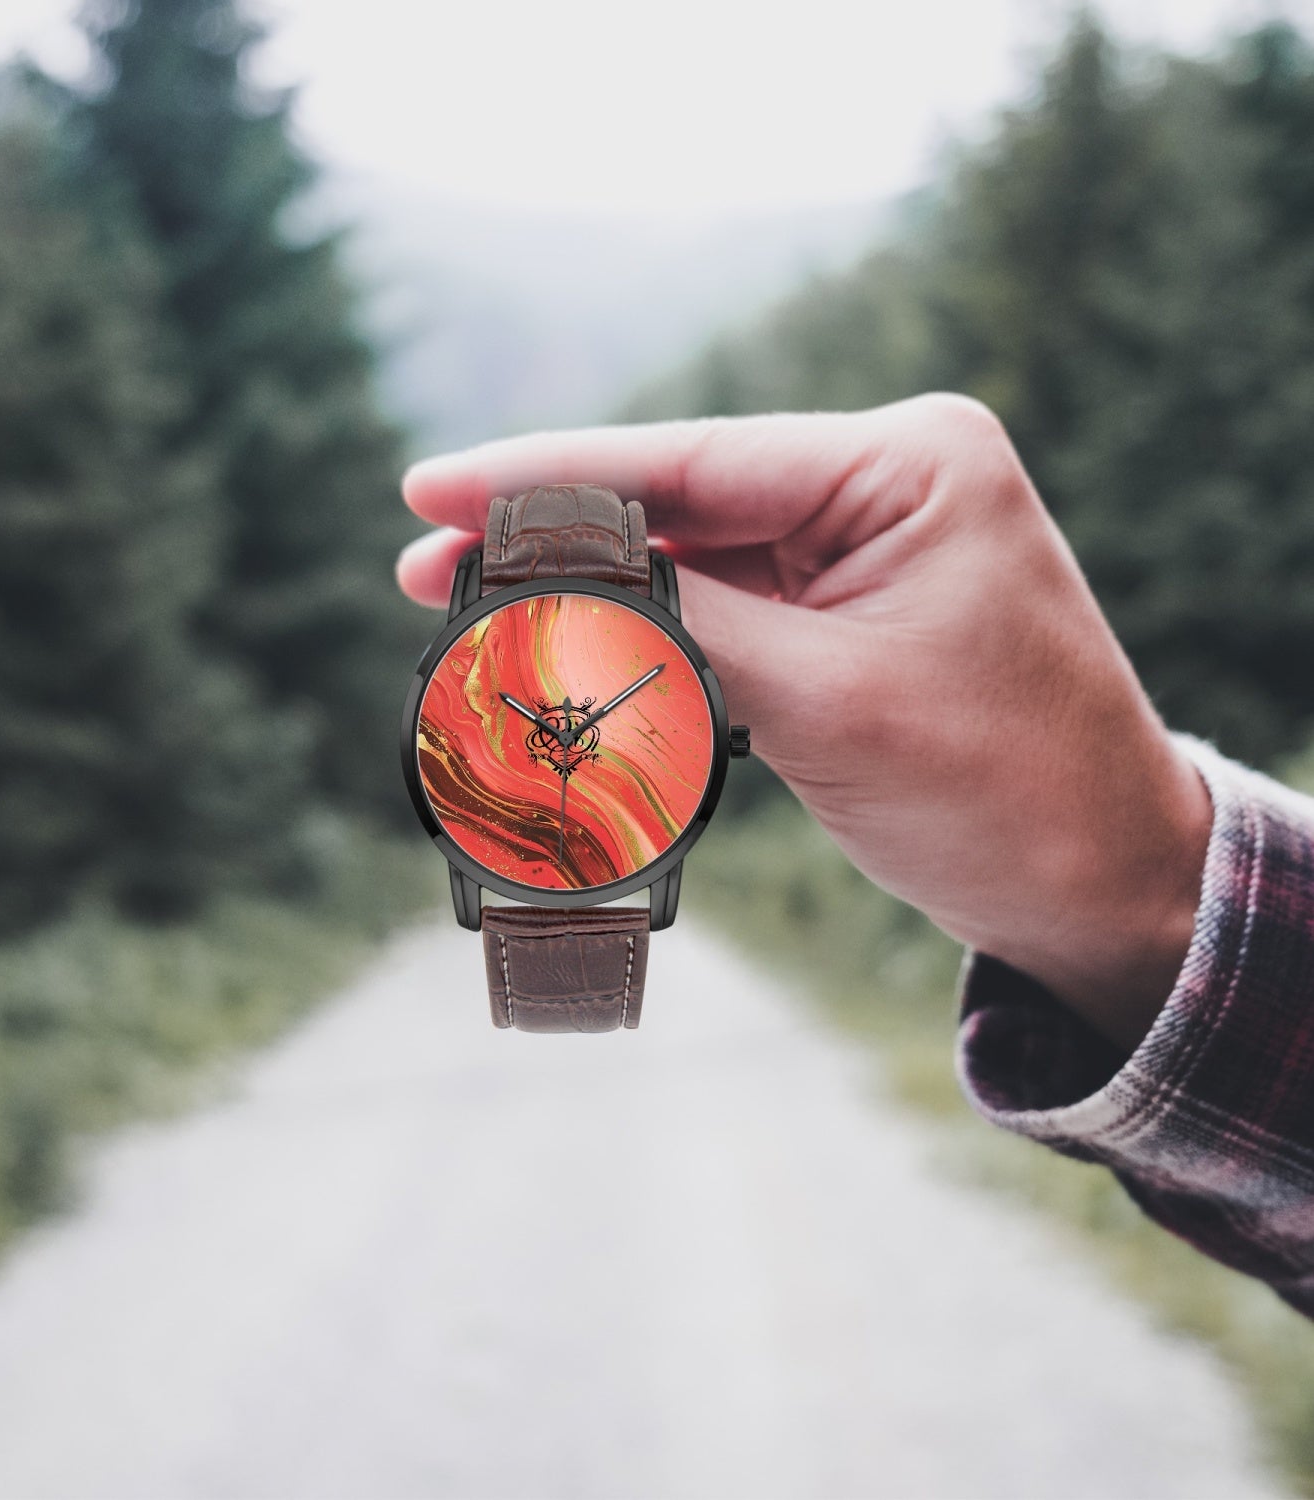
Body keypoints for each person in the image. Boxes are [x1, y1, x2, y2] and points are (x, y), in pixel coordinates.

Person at [396, 393, 1314, 1319]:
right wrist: (1147, 895)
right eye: (547, 723)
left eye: (576, 725)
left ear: (724, 736)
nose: (564, 734)